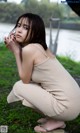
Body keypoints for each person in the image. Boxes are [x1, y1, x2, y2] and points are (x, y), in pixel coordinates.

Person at [4, 13, 80, 133]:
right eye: (18, 25)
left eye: (26, 28)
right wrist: (18, 48)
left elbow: (25, 80)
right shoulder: (40, 47)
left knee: (19, 86)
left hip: (66, 107)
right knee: (34, 86)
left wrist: (16, 51)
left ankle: (56, 119)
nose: (19, 30)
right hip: (74, 104)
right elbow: (32, 79)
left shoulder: (29, 50)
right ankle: (56, 119)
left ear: (36, 32)